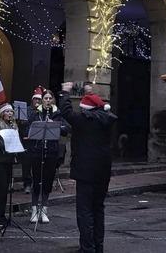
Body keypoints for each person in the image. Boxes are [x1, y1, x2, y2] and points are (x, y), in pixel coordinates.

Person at [59, 82, 116, 253]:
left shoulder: (83, 120)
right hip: (103, 171)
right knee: (98, 209)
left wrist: (65, 92)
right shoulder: (107, 119)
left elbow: (66, 111)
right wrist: (91, 94)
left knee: (84, 211)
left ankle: (87, 248)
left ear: (85, 108)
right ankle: (98, 247)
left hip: (85, 172)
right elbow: (101, 108)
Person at [26, 88, 67, 224]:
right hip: (37, 150)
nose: (48, 101)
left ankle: (44, 210)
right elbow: (28, 130)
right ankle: (34, 210)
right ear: (42, 100)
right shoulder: (35, 114)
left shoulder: (57, 114)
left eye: (50, 98)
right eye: (46, 98)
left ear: (53, 100)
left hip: (51, 151)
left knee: (47, 181)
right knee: (36, 179)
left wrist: (56, 126)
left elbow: (66, 129)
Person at [0, 102, 20, 227]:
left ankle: (2, 214)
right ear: (2, 113)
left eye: (11, 112)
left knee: (6, 188)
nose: (9, 114)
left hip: (9, 160)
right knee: (1, 188)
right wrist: (5, 143)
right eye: (7, 111)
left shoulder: (13, 124)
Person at [18, 87, 43, 194]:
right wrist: (34, 113)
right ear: (32, 100)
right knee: (26, 165)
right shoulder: (26, 110)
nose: (37, 101)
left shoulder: (43, 111)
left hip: (38, 142)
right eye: (35, 99)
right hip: (27, 142)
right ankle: (27, 184)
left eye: (39, 100)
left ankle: (37, 184)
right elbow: (23, 123)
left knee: (37, 165)